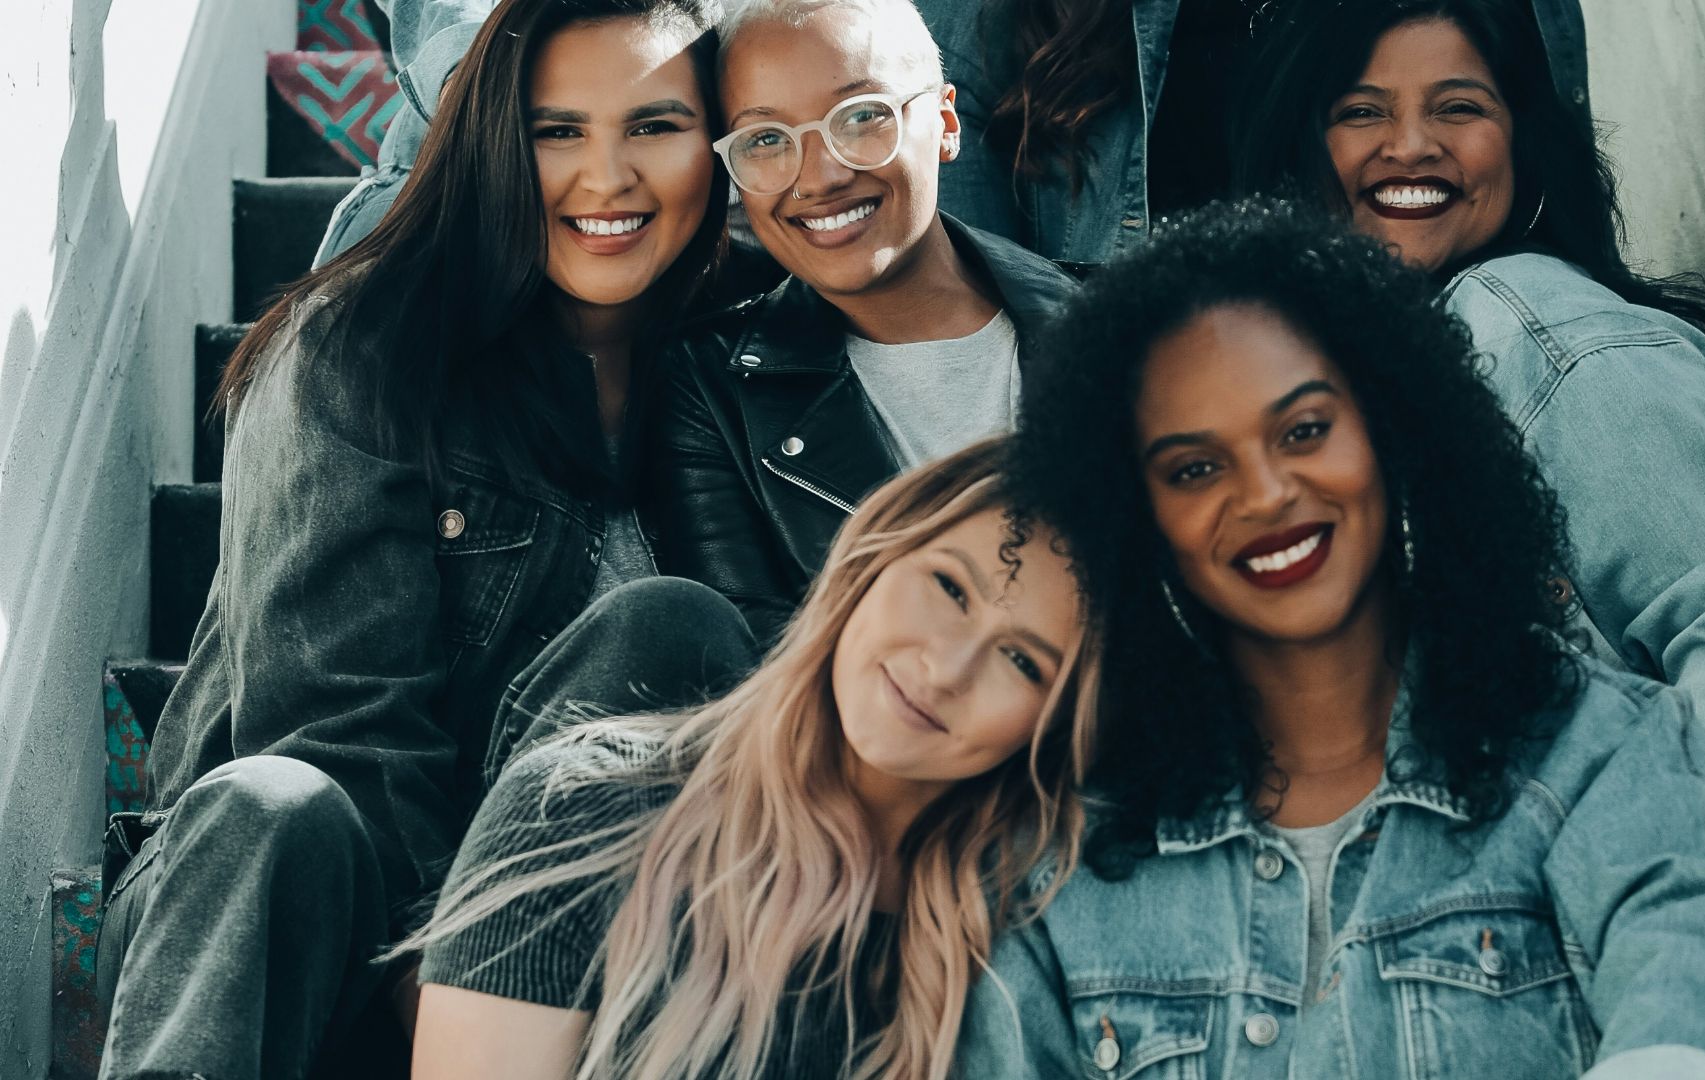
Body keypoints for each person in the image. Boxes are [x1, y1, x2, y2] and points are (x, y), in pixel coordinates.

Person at [961, 197, 1705, 1079]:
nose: (1264, 494)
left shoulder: (1602, 756)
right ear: (1134, 517)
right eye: (1194, 469)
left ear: (1394, 428)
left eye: (1304, 430)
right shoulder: (1060, 863)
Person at [1240, 1, 1705, 1070]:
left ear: (1524, 149)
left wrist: (1661, 924)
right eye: (1361, 110)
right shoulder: (1357, 407)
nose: (1409, 144)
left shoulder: (1527, 323)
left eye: (1457, 107)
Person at [92, 2, 746, 1075]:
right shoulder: (361, 347)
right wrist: (445, 992)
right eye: (557, 130)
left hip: (566, 943)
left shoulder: (743, 369)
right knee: (273, 808)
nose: (608, 177)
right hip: (299, 931)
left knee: (673, 627)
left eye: (656, 125)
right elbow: (336, 730)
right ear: (492, 140)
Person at [407, 438, 1098, 1080]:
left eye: (1021, 660)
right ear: (874, 554)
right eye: (949, 587)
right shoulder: (578, 807)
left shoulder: (1029, 949)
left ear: (1054, 725)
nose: (947, 669)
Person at [645, 0, 1077, 645]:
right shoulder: (707, 390)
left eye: (862, 116)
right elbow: (762, 678)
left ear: (946, 119)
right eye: (766, 140)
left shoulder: (1126, 323)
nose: (820, 177)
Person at [909, 0, 1588, 268]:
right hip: (1135, 458)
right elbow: (965, 332)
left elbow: (1549, 203)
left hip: (1445, 409)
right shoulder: (978, 20)